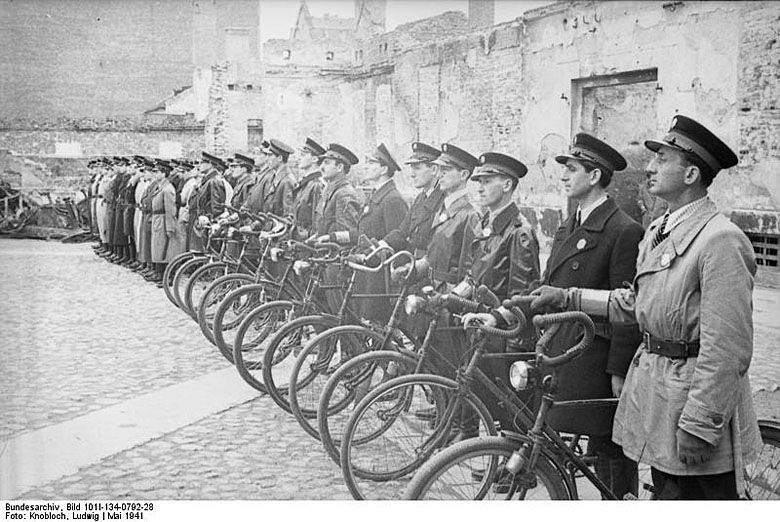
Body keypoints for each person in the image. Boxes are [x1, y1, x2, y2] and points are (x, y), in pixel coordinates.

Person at [529, 115, 762, 500]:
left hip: (692, 406)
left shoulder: (721, 240)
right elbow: (638, 306)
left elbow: (728, 348)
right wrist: (568, 298)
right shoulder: (660, 230)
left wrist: (701, 423)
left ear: (690, 175)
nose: (649, 167)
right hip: (659, 399)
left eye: (662, 159)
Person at [544, 133, 643, 499]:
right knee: (569, 445)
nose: (564, 177)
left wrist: (619, 369)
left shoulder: (623, 230)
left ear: (596, 175)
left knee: (609, 449)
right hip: (566, 349)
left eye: (571, 169)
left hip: (597, 358)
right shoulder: (568, 225)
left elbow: (628, 307)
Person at [150, 160, 179, 285]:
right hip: (158, 219)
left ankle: (169, 277)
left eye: (157, 172)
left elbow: (170, 210)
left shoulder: (167, 189)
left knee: (166, 249)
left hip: (163, 220)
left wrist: (170, 228)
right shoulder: (160, 186)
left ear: (163, 173)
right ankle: (160, 274)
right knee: (158, 248)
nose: (155, 174)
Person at [292, 138, 326, 241]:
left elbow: (317, 222)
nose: (299, 158)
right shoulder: (306, 183)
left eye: (303, 155)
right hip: (298, 239)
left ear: (315, 159)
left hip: (308, 242)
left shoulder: (317, 185)